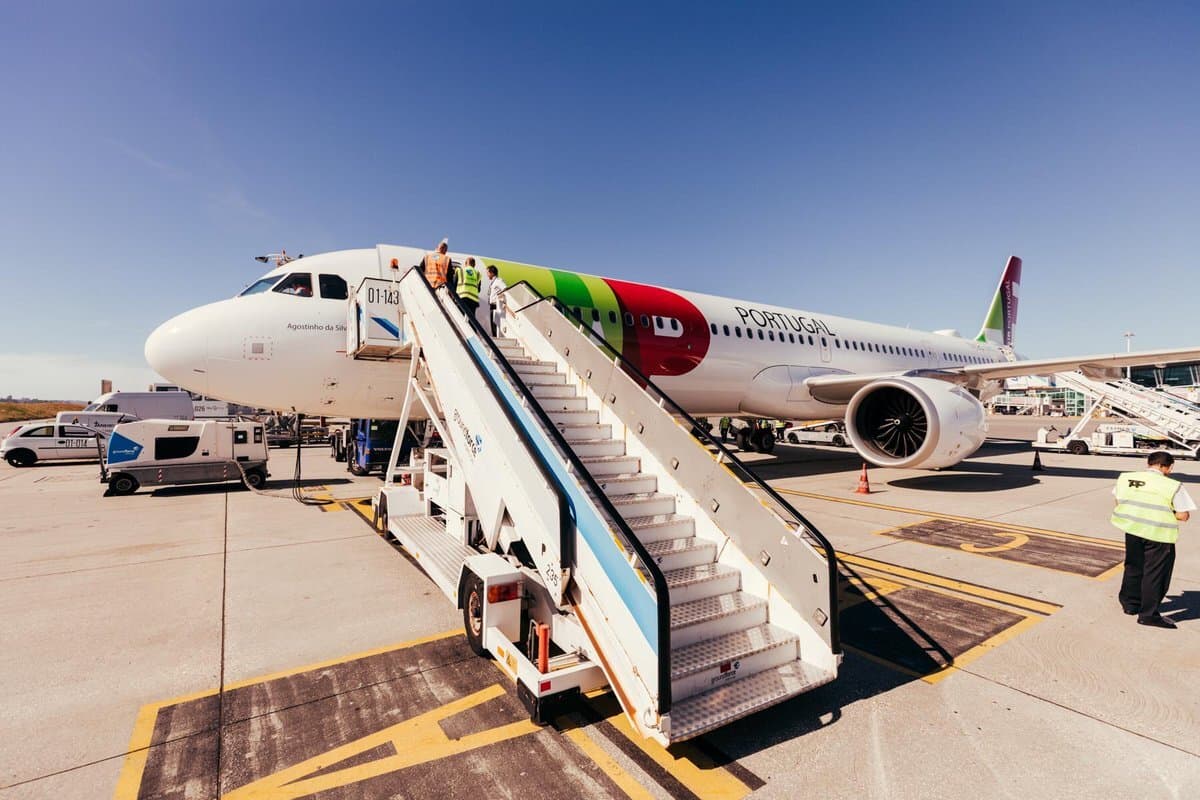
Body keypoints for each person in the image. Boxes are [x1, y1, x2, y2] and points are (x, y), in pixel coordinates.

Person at [1112, 451, 1194, 629]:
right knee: (1155, 574)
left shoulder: (1126, 478)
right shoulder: (1172, 485)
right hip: (1158, 535)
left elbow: (1119, 502)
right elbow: (1183, 515)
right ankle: (1148, 615)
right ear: (1169, 467)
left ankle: (1130, 605)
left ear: (1148, 463)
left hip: (1133, 530)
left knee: (1133, 567)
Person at [487, 265, 507, 335]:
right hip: (492, 305)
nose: (487, 275)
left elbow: (505, 289)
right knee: (492, 324)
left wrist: (500, 298)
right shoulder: (493, 282)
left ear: (492, 273)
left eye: (488, 273)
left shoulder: (498, 281)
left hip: (496, 305)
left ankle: (495, 337)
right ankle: (494, 336)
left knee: (495, 324)